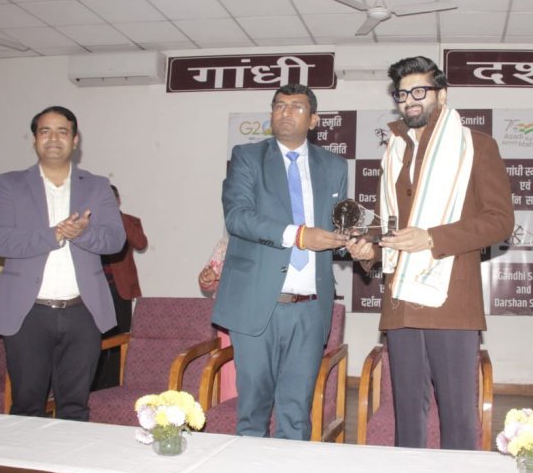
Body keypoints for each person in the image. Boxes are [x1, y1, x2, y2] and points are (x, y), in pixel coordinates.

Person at [346, 56, 514, 450]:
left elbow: (500, 221)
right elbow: (389, 227)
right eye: (402, 94)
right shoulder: (394, 152)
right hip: (401, 301)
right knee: (407, 413)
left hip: (451, 300)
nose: (410, 101)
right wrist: (366, 248)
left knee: (458, 416)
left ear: (442, 94)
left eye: (419, 91)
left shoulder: (477, 146)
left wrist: (432, 238)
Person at [212, 84, 348, 440]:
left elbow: (335, 228)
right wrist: (299, 235)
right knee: (253, 412)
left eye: (296, 107)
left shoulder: (333, 166)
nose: (286, 112)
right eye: (279, 105)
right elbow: (238, 217)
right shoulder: (247, 156)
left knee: (297, 414)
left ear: (314, 119)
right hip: (257, 304)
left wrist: (358, 245)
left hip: (310, 307)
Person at [0, 105, 126, 420]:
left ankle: (65, 469)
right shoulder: (10, 184)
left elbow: (116, 240)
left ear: (75, 140)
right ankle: (25, 469)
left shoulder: (97, 185)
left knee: (75, 406)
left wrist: (83, 234)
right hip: (28, 312)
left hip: (83, 311)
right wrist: (53, 236)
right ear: (34, 139)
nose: (53, 138)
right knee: (27, 405)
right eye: (45, 131)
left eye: (63, 131)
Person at [96, 184, 148, 389]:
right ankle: (95, 386)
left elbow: (141, 243)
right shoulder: (89, 223)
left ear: (118, 201)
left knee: (119, 340)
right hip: (94, 290)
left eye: (111, 199)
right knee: (95, 340)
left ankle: (114, 385)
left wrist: (117, 216)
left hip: (120, 290)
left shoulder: (129, 221)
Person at [198, 235, 237, 401]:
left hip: (260, 317)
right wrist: (206, 277)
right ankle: (227, 420)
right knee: (228, 372)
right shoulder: (226, 243)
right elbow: (207, 281)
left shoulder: (269, 239)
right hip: (228, 316)